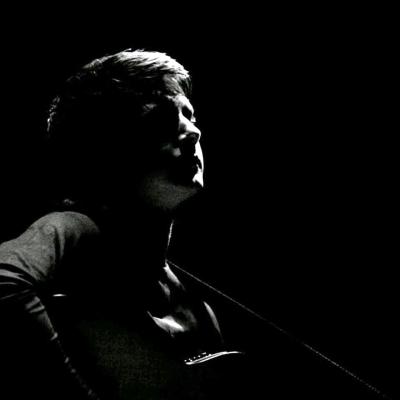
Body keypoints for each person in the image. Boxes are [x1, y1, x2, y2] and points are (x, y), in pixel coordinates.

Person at [0, 49, 242, 400]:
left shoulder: (199, 310)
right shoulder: (75, 229)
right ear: (105, 149)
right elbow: (4, 280)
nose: (193, 131)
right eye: (159, 119)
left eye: (189, 114)